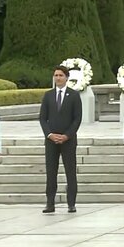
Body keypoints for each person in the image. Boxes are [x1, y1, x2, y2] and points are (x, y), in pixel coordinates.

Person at [39, 65, 82, 213]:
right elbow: (43, 118)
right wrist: (49, 134)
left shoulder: (74, 95)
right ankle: (50, 203)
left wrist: (66, 135)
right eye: (56, 75)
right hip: (51, 141)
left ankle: (71, 203)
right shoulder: (48, 95)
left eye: (61, 75)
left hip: (68, 140)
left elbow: (77, 119)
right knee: (51, 172)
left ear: (66, 77)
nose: (58, 78)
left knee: (70, 172)